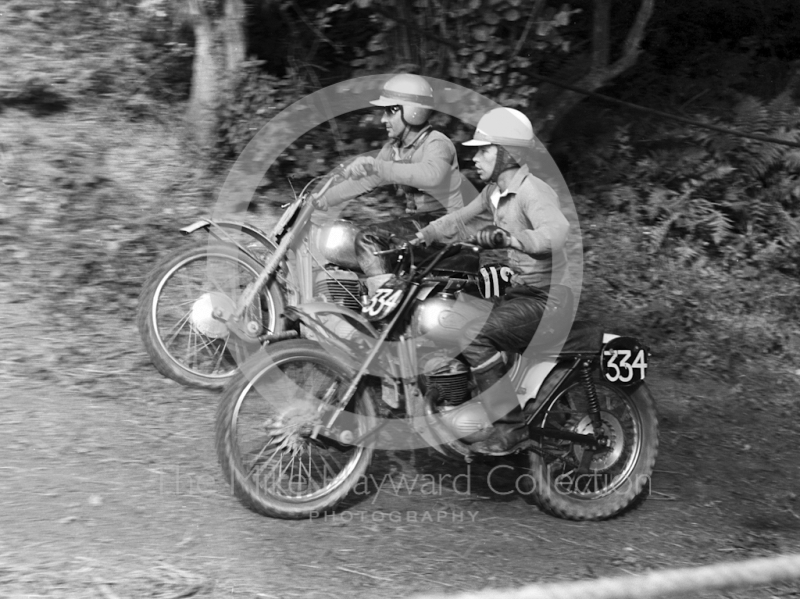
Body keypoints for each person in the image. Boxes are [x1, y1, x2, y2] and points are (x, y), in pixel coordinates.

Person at [412, 107, 572, 455]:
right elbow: (459, 220)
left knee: (475, 333)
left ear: (509, 153)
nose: (475, 156)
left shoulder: (533, 191)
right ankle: (460, 405)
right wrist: (417, 239)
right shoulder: (493, 194)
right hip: (518, 294)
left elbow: (557, 233)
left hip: (548, 299)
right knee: (446, 316)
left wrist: (515, 240)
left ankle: (510, 427)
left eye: (484, 149)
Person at [313, 73, 465, 295]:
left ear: (413, 111)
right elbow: (365, 181)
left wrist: (378, 166)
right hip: (419, 223)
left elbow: (431, 175)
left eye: (390, 111)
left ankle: (384, 310)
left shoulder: (437, 143)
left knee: (369, 239)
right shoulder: (394, 148)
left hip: (445, 225)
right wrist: (322, 200)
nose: (383, 119)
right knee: (349, 240)